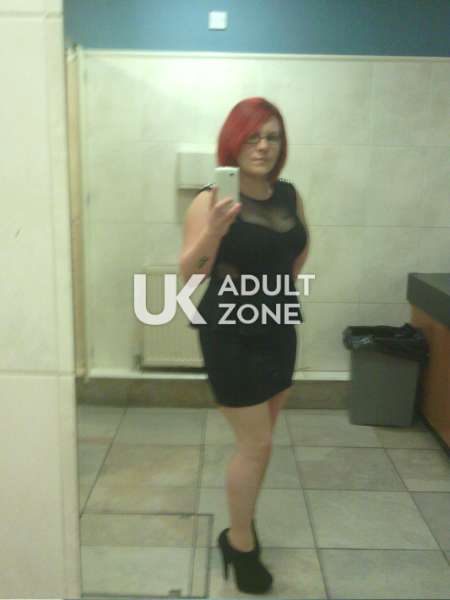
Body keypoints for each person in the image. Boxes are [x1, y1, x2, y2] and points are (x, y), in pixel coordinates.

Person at [179, 97, 310, 594]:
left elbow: (296, 253)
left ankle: (243, 516)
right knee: (256, 445)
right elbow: (190, 276)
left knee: (262, 442)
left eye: (272, 137)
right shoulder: (210, 200)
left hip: (278, 326)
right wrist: (213, 232)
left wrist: (272, 293)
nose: (263, 146)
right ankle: (239, 542)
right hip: (230, 332)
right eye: (253, 136)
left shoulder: (289, 195)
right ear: (233, 141)